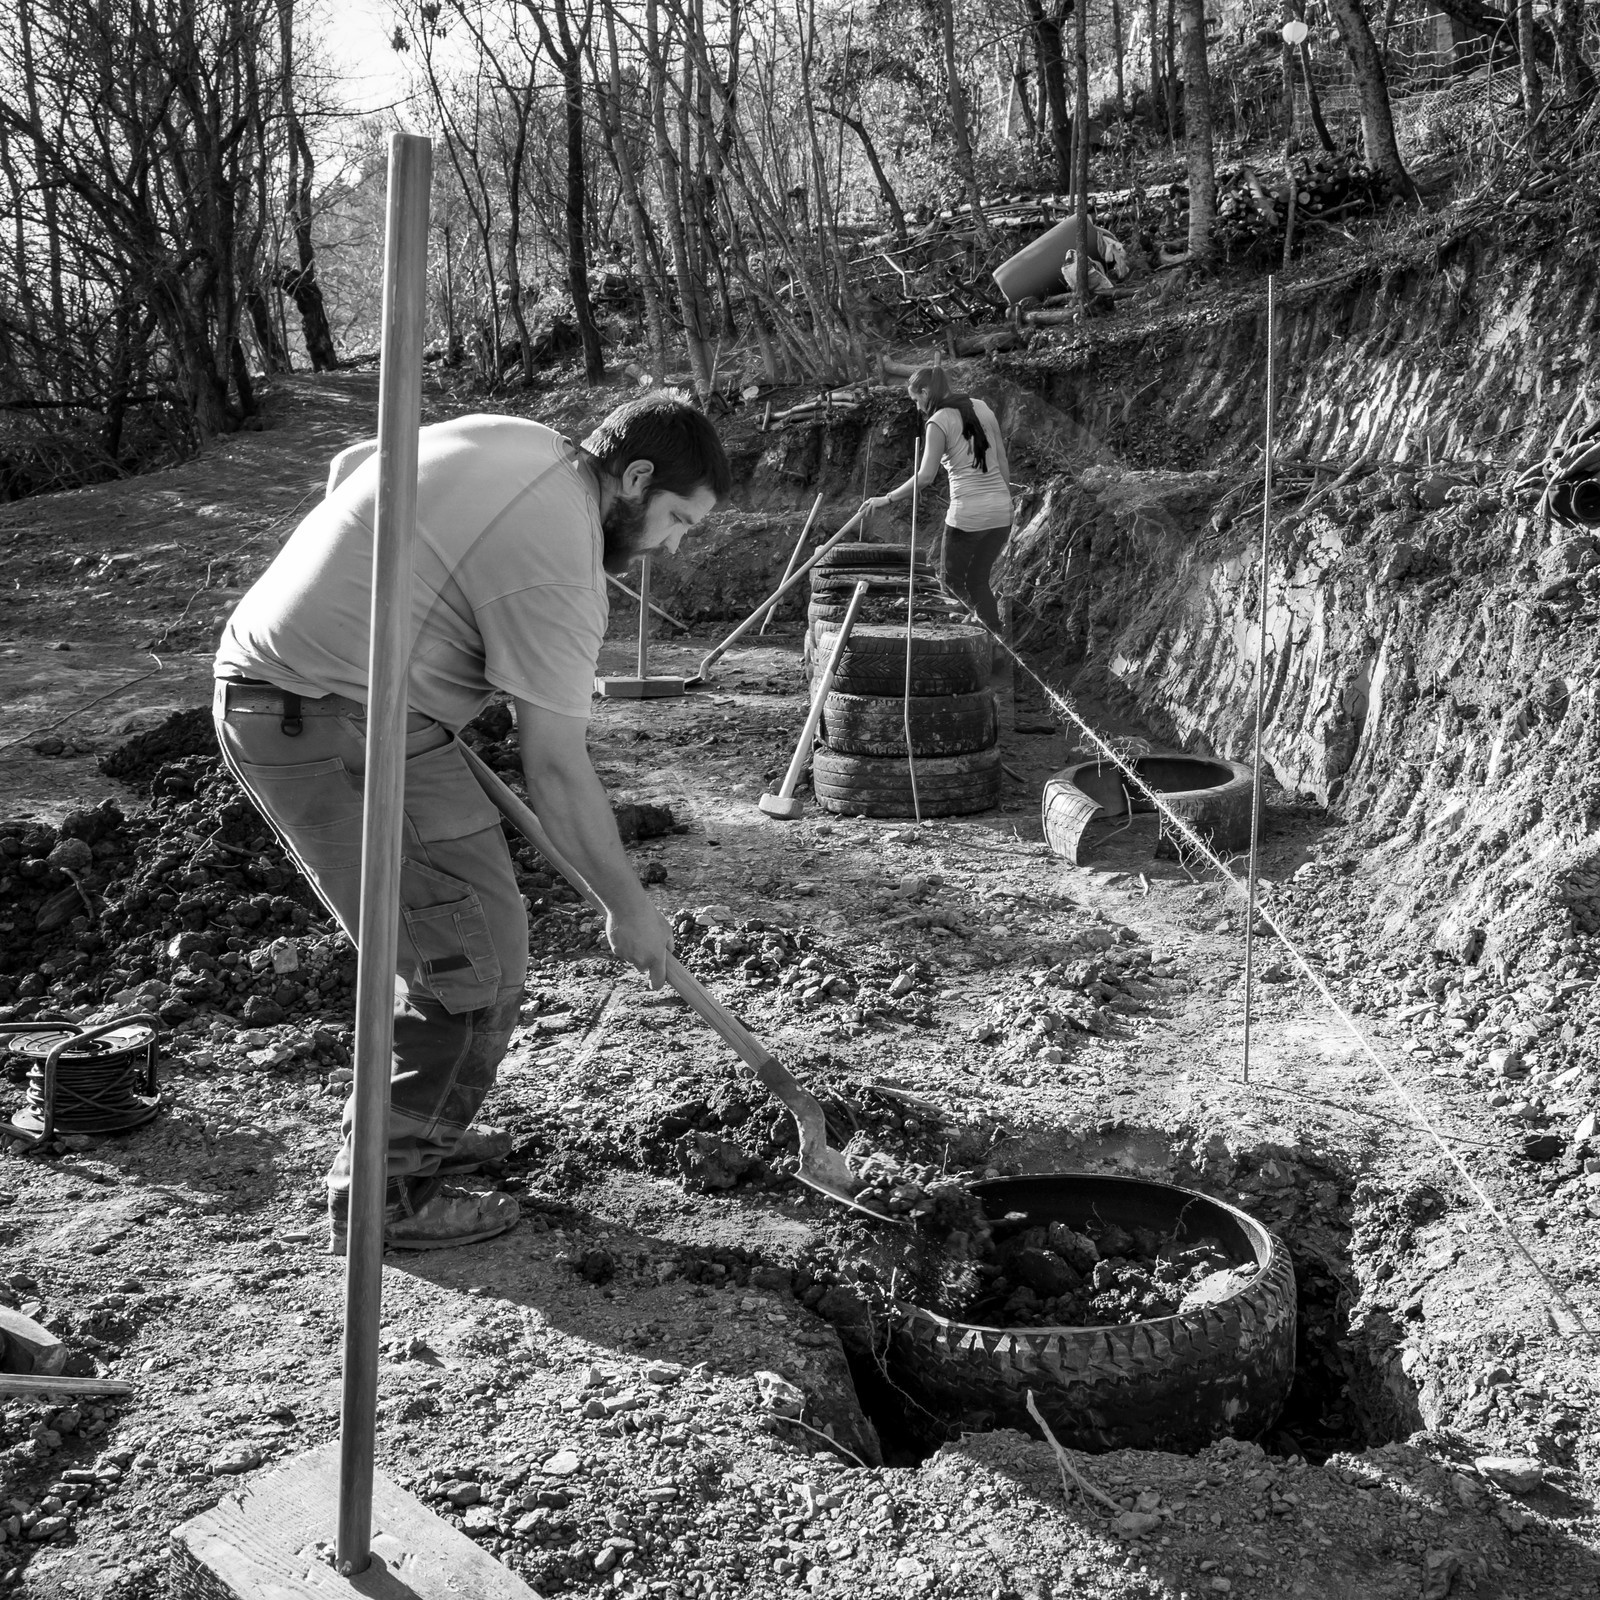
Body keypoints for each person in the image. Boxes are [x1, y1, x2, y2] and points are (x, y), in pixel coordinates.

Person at [213, 396, 730, 1253]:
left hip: (344, 701)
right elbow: (557, 768)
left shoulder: (520, 437)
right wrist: (629, 907)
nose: (672, 546)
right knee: (464, 960)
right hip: (326, 717)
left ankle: (422, 1126)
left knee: (468, 938)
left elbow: (351, 465)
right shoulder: (561, 562)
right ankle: (388, 1189)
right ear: (634, 478)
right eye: (676, 519)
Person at [866, 367, 1012, 672]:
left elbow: (925, 477)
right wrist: (1005, 501)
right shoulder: (982, 407)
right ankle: (994, 642)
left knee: (950, 581)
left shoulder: (937, 422)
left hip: (968, 514)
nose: (917, 407)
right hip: (1001, 511)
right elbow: (1001, 459)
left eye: (916, 400)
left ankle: (974, 649)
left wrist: (887, 498)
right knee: (978, 579)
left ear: (926, 393)